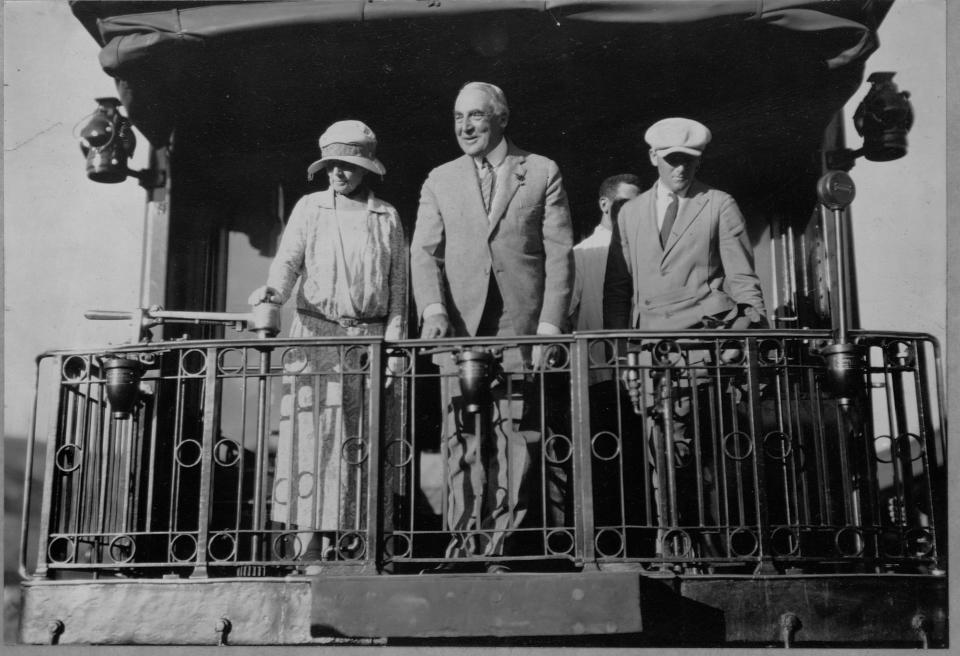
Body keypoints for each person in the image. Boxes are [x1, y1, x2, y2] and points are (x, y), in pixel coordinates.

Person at [410, 81, 574, 571]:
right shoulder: (440, 178)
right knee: (459, 437)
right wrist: (434, 310)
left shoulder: (541, 171)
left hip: (517, 328)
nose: (465, 126)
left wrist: (548, 326)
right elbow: (424, 253)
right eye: (458, 116)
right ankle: (463, 545)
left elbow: (560, 256)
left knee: (512, 437)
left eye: (476, 116)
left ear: (502, 118)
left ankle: (501, 546)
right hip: (458, 328)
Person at [603, 117, 767, 560]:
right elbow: (618, 289)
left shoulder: (717, 204)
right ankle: (676, 542)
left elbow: (743, 280)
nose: (682, 170)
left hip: (700, 344)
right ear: (654, 158)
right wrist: (624, 355)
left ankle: (695, 547)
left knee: (692, 446)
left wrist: (744, 331)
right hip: (650, 351)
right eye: (673, 160)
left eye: (690, 162)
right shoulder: (630, 214)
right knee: (663, 448)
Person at [249, 119, 406, 573]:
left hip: (368, 343)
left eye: (347, 166)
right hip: (316, 337)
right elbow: (287, 264)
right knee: (314, 441)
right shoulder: (310, 208)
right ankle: (309, 548)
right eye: (332, 166)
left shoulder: (386, 216)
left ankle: (362, 549)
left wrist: (393, 348)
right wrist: (273, 294)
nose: (338, 174)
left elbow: (399, 291)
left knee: (365, 442)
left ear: (365, 169)